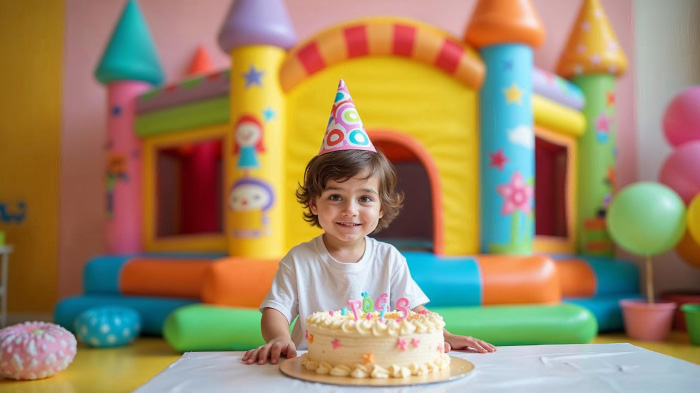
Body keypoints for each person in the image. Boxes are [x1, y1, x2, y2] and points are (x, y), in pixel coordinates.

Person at [242, 80, 496, 365]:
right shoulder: (299, 261)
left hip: (378, 365)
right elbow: (275, 310)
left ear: (380, 208)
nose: (350, 210)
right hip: (314, 366)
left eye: (364, 199)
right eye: (336, 197)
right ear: (314, 203)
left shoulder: (389, 259)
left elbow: (414, 310)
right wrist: (279, 337)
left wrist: (444, 335)